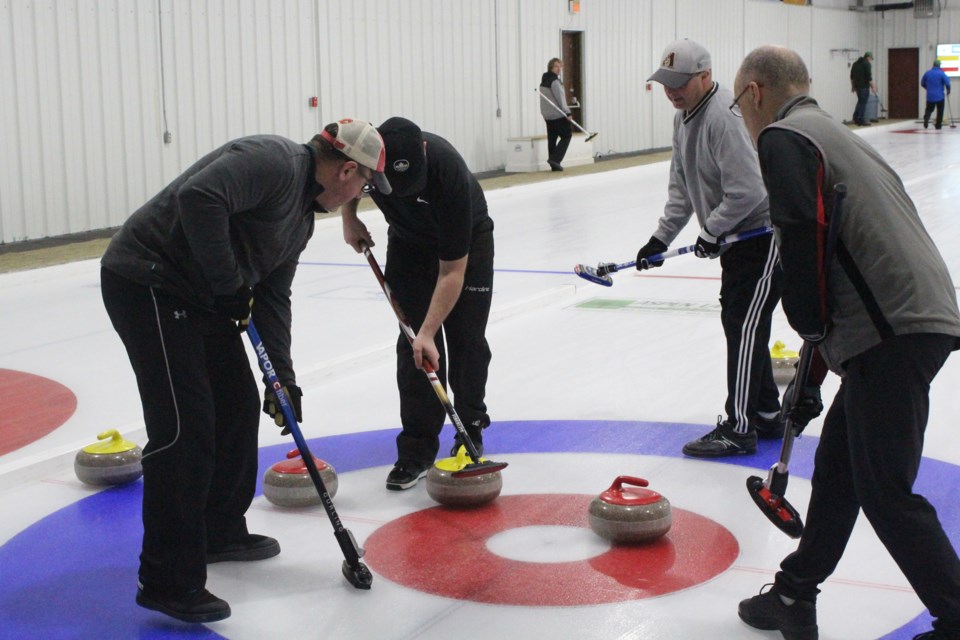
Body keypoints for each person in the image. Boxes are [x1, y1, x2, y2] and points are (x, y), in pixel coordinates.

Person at [101, 118, 390, 623]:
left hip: (203, 296)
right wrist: (229, 284)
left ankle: (218, 528)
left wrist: (283, 379)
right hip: (148, 282)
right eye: (364, 184)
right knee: (184, 429)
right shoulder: (274, 161)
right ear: (346, 169)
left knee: (236, 405)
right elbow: (200, 199)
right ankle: (167, 579)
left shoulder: (299, 219)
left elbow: (273, 297)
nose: (360, 192)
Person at [733, 45, 960, 640]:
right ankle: (793, 592)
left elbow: (802, 242)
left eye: (739, 104)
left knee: (885, 490)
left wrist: (809, 328)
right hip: (911, 318)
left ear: (755, 93)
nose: (744, 117)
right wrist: (812, 375)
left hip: (892, 330)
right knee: (838, 469)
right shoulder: (834, 134)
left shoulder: (783, 137)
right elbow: (841, 251)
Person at [639, 38, 783, 457]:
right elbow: (681, 188)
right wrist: (660, 238)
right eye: (666, 83)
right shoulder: (685, 117)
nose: (672, 91)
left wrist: (711, 231)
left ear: (705, 76)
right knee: (743, 323)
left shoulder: (723, 117)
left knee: (743, 326)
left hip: (760, 238)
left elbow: (750, 191)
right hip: (736, 240)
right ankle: (767, 413)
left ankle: (740, 427)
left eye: (680, 82)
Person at [341, 117, 495, 491]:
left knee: (466, 339)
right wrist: (350, 217)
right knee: (412, 348)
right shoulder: (366, 155)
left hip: (464, 245)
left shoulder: (448, 172)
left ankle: (470, 430)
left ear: (424, 152)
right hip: (408, 244)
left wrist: (429, 330)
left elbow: (451, 273)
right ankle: (416, 449)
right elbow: (345, 178)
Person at [539, 57, 575, 171]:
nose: (559, 69)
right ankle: (555, 159)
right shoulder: (555, 81)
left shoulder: (544, 80)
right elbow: (561, 99)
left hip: (547, 115)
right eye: (556, 66)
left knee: (552, 138)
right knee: (567, 135)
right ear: (551, 67)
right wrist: (568, 112)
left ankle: (553, 164)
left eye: (561, 66)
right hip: (557, 114)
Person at [921, 59, 952, 130]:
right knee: (940, 110)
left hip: (930, 96)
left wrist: (928, 88)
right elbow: (947, 83)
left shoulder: (927, 73)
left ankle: (926, 117)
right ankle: (938, 125)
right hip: (940, 96)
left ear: (933, 65)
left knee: (929, 109)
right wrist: (948, 90)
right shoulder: (941, 73)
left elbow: (922, 83)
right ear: (939, 65)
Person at [849, 51, 876, 126]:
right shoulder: (867, 64)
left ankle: (855, 118)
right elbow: (869, 77)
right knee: (863, 103)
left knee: (860, 102)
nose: (871, 60)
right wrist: (873, 87)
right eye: (871, 59)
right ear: (868, 57)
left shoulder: (855, 64)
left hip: (857, 87)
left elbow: (851, 77)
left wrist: (853, 86)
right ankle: (861, 119)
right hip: (864, 87)